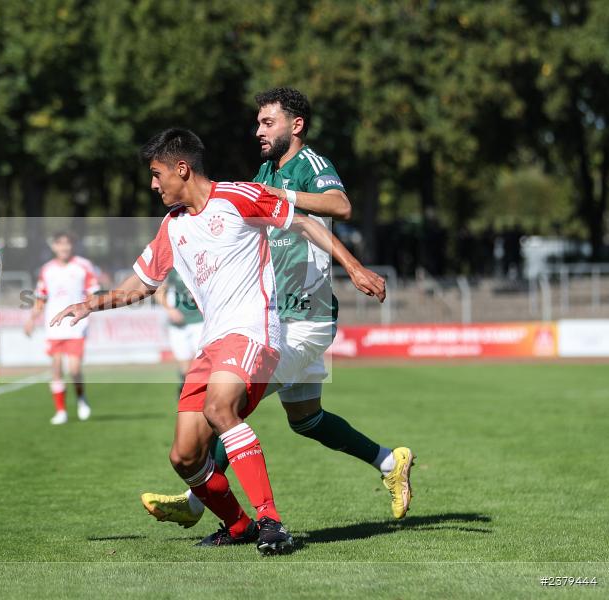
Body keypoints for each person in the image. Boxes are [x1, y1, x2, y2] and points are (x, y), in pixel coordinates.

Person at [53, 128, 384, 555]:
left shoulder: (237, 196)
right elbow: (143, 283)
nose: (154, 185)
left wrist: (354, 268)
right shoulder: (173, 226)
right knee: (185, 456)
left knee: (219, 409)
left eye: (157, 175)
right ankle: (239, 524)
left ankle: (271, 522)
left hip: (253, 331)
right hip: (212, 345)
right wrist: (91, 304)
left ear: (182, 169)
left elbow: (301, 220)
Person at [141, 88, 414, 530]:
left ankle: (196, 502)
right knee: (306, 420)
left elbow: (340, 206)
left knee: (225, 403)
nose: (258, 131)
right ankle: (389, 462)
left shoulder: (311, 165)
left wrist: (282, 199)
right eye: (258, 123)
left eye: (268, 123)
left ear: (296, 125)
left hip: (306, 317)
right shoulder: (265, 170)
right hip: (280, 315)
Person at [25, 232, 100, 425]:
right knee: (56, 369)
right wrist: (31, 319)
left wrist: (89, 309)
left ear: (72, 246)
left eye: (67, 244)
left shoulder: (83, 266)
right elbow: (41, 298)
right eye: (60, 244)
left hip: (76, 324)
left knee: (74, 369)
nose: (64, 248)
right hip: (54, 326)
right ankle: (61, 411)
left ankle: (81, 398)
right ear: (54, 247)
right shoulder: (47, 270)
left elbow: (94, 293)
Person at [154, 270, 204, 395]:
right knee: (185, 369)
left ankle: (200, 398)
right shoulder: (173, 267)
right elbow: (159, 291)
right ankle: (185, 396)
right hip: (178, 326)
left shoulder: (201, 264)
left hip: (200, 321)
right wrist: (170, 310)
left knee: (202, 365)